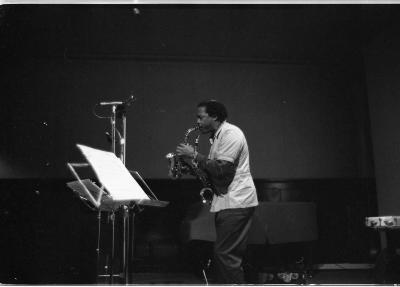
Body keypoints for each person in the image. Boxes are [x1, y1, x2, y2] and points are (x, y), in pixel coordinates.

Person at [176, 99, 258, 284]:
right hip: (227, 201)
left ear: (214, 116)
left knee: (225, 254)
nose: (197, 122)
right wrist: (191, 168)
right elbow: (213, 172)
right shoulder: (218, 136)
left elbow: (222, 169)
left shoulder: (231, 134)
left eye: (200, 117)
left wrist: (194, 155)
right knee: (226, 254)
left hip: (236, 201)